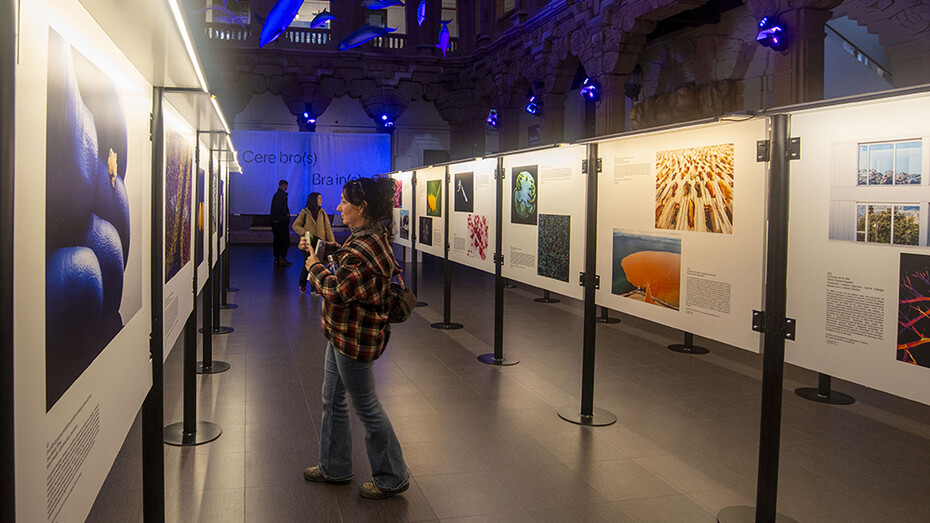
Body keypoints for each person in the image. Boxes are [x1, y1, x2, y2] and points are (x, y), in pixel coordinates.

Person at [299, 177, 409, 499]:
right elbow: (346, 256)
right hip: (342, 333)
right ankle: (334, 466)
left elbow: (336, 290)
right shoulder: (367, 236)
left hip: (354, 338)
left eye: (345, 201)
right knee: (331, 399)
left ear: (361, 208)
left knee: (367, 406)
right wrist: (321, 247)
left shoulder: (366, 246)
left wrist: (314, 266)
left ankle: (392, 476)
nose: (337, 206)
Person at [292, 192, 335, 294]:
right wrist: (305, 233)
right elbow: (295, 225)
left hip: (320, 243)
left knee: (318, 265)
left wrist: (333, 243)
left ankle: (315, 288)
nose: (321, 200)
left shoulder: (322, 213)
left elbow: (328, 229)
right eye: (319, 198)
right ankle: (302, 284)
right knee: (306, 264)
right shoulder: (305, 212)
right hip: (308, 244)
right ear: (313, 200)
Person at [270, 179, 291, 267]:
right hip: (281, 222)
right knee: (284, 240)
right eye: (285, 186)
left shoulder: (276, 195)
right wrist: (286, 216)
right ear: (281, 186)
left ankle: (277, 259)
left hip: (275, 221)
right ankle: (282, 258)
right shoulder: (282, 196)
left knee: (277, 240)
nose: (286, 187)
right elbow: (282, 209)